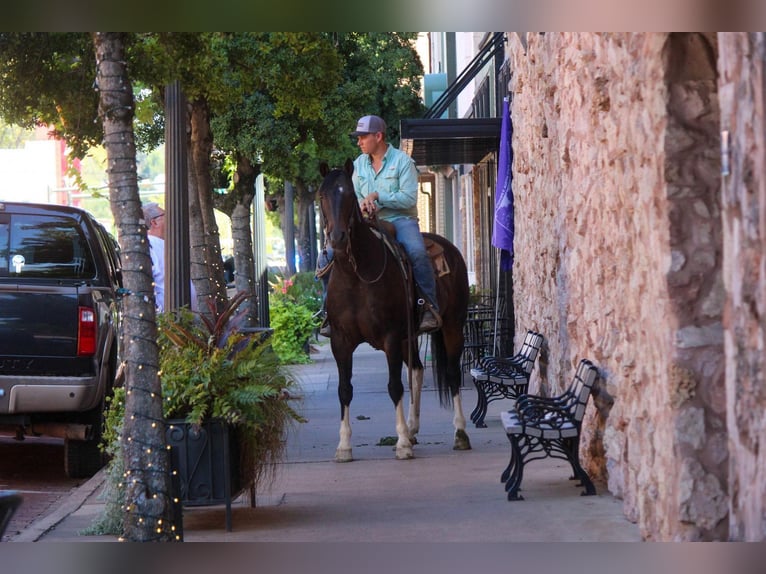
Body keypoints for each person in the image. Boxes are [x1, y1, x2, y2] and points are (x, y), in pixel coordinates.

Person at [142, 202, 197, 313]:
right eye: (166, 215)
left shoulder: (163, 245)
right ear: (154, 222)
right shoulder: (149, 248)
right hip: (168, 320)